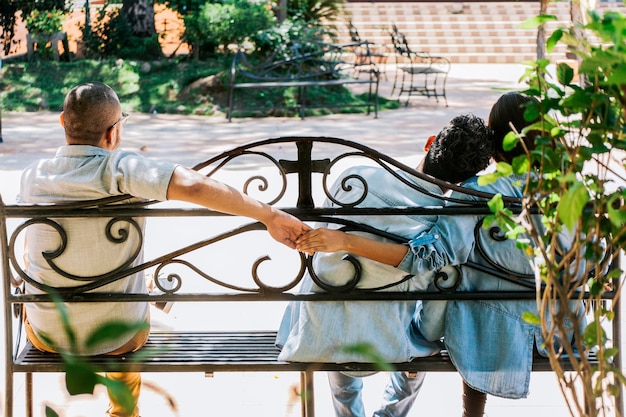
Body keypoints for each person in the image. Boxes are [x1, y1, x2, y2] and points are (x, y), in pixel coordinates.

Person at [18, 82, 309, 417]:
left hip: (47, 335)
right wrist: (268, 214)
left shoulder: (32, 176)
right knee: (124, 317)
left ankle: (149, 298)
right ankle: (124, 411)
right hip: (119, 337)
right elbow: (195, 185)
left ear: (62, 123)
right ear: (112, 134)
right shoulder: (121, 169)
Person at [296, 92, 586, 417]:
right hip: (561, 331)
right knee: (438, 296)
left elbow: (432, 258)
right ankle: (393, 410)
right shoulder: (571, 187)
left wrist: (344, 242)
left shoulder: (477, 191)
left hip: (490, 334)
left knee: (439, 286)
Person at [278, 113, 494, 417]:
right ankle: (391, 413)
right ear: (463, 180)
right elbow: (430, 263)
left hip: (319, 331)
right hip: (390, 340)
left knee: (338, 289)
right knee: (430, 309)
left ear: (429, 143)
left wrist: (346, 243)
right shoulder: (440, 219)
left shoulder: (355, 177)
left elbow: (319, 245)